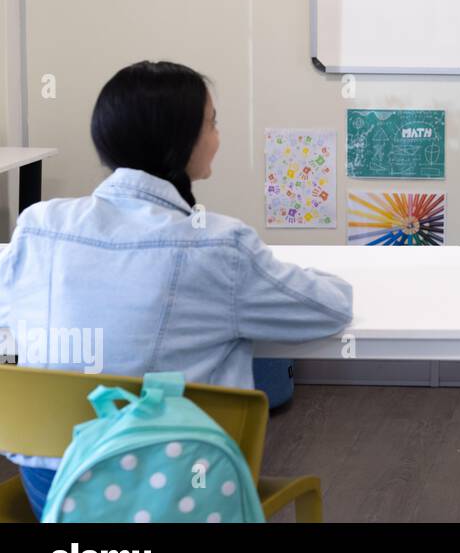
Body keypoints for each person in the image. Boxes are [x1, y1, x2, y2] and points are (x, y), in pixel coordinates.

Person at [0, 61, 354, 517]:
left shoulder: (39, 226)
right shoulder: (217, 245)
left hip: (53, 493)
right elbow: (328, 307)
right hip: (176, 497)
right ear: (181, 141)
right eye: (212, 123)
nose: (218, 137)